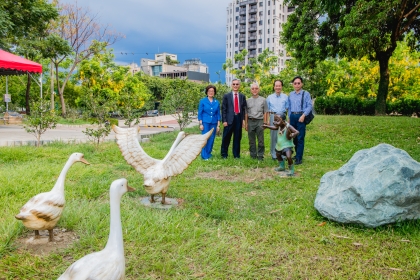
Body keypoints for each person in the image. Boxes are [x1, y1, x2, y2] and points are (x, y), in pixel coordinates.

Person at [288, 76, 313, 165]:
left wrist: (303, 115)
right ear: (293, 85)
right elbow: (289, 107)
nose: (297, 85)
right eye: (295, 83)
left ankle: (299, 158)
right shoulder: (291, 94)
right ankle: (297, 154)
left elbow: (309, 106)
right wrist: (289, 118)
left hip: (301, 116)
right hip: (293, 116)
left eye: (299, 83)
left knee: (300, 137)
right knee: (294, 137)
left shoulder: (306, 94)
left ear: (301, 84)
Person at [221, 79, 247, 159]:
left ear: (239, 85)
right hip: (229, 119)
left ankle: (236, 155)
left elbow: (243, 109)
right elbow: (224, 109)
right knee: (226, 138)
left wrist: (243, 120)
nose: (235, 85)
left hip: (238, 118)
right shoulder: (226, 96)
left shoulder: (242, 96)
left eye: (237, 84)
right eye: (234, 84)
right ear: (231, 85)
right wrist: (224, 120)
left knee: (237, 137)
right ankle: (224, 154)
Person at [266, 80, 289, 160]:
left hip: (282, 116)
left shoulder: (285, 97)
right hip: (273, 116)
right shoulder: (269, 97)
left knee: (283, 135)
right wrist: (268, 120)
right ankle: (274, 154)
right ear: (274, 87)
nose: (278, 87)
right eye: (276, 86)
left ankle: (283, 154)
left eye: (279, 86)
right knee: (274, 136)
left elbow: (287, 108)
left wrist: (288, 119)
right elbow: (267, 110)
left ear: (281, 87)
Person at [244, 83, 268, 160]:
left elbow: (265, 112)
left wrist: (265, 122)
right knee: (251, 140)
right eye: (253, 88)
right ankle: (253, 155)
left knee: (261, 140)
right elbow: (246, 113)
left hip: (260, 121)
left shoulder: (263, 100)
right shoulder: (247, 101)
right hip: (251, 121)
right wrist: (246, 123)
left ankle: (260, 155)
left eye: (256, 88)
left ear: (259, 89)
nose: (254, 90)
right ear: (251, 90)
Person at [198, 85, 221, 160]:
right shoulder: (203, 101)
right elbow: (200, 113)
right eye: (209, 91)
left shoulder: (217, 102)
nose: (211, 92)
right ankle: (204, 155)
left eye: (212, 91)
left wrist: (218, 125)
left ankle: (208, 153)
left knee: (211, 138)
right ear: (207, 92)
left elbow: (218, 114)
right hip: (205, 122)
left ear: (214, 92)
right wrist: (201, 124)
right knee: (205, 138)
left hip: (214, 122)